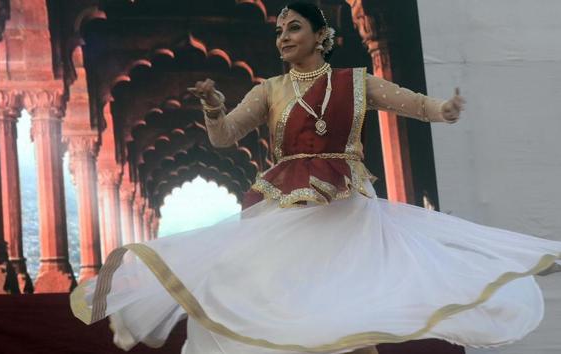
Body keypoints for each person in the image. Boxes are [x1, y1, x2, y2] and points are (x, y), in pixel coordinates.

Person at [70, 2, 561, 353]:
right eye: (279, 31)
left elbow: (407, 102)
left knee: (350, 305)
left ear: (321, 37)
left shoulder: (355, 82)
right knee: (279, 298)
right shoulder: (270, 90)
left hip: (344, 207)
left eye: (294, 28)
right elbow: (224, 139)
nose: (283, 37)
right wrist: (213, 107)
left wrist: (443, 109)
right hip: (287, 211)